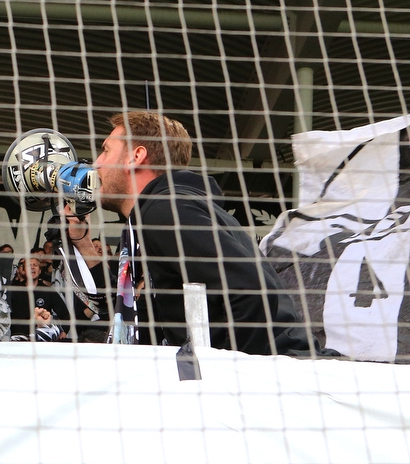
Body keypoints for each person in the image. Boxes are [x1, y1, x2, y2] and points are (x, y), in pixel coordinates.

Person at [84, 111, 316, 355]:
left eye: (106, 150)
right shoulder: (162, 213)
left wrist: (228, 379)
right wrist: (83, 244)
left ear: (136, 156)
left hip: (280, 374)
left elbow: (251, 291)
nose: (98, 162)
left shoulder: (165, 210)